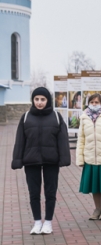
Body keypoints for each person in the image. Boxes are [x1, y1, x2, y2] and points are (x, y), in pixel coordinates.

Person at [12, 88, 71, 235]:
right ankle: (37, 222)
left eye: (42, 99)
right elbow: (20, 140)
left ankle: (48, 222)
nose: (39, 102)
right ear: (33, 100)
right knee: (34, 193)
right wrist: (17, 159)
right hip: (31, 161)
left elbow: (62, 140)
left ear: (48, 100)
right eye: (36, 99)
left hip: (51, 161)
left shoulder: (56, 117)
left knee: (50, 192)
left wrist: (64, 158)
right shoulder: (25, 117)